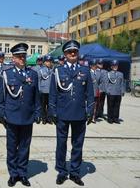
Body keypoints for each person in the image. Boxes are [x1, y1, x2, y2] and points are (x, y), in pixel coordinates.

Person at [49, 40, 94, 186]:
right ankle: (62, 171)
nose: (72, 54)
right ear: (65, 54)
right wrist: (52, 110)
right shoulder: (58, 71)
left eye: (75, 51)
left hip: (79, 114)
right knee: (61, 144)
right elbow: (53, 93)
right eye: (69, 52)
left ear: (78, 54)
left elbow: (90, 94)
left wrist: (90, 111)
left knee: (78, 145)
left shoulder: (85, 71)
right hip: (62, 113)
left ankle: (74, 172)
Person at [0, 43, 41, 187]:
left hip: (27, 117)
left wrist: (37, 112)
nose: (22, 58)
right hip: (12, 116)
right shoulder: (7, 74)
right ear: (13, 58)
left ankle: (22, 173)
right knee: (11, 147)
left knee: (24, 147)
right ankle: (13, 174)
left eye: (24, 56)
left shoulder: (33, 74)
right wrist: (2, 114)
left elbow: (36, 97)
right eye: (19, 56)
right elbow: (0, 98)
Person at [33, 55, 54, 124]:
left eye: (50, 62)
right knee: (43, 106)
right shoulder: (41, 70)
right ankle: (44, 118)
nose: (49, 63)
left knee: (50, 105)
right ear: (44, 62)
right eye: (47, 61)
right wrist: (39, 90)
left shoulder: (52, 70)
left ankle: (49, 118)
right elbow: (38, 81)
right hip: (43, 90)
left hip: (50, 91)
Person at [89, 59, 99, 124]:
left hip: (96, 92)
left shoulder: (98, 73)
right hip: (89, 92)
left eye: (95, 65)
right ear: (90, 66)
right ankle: (88, 117)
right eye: (93, 65)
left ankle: (93, 118)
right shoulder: (88, 73)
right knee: (89, 105)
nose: (95, 66)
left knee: (95, 106)